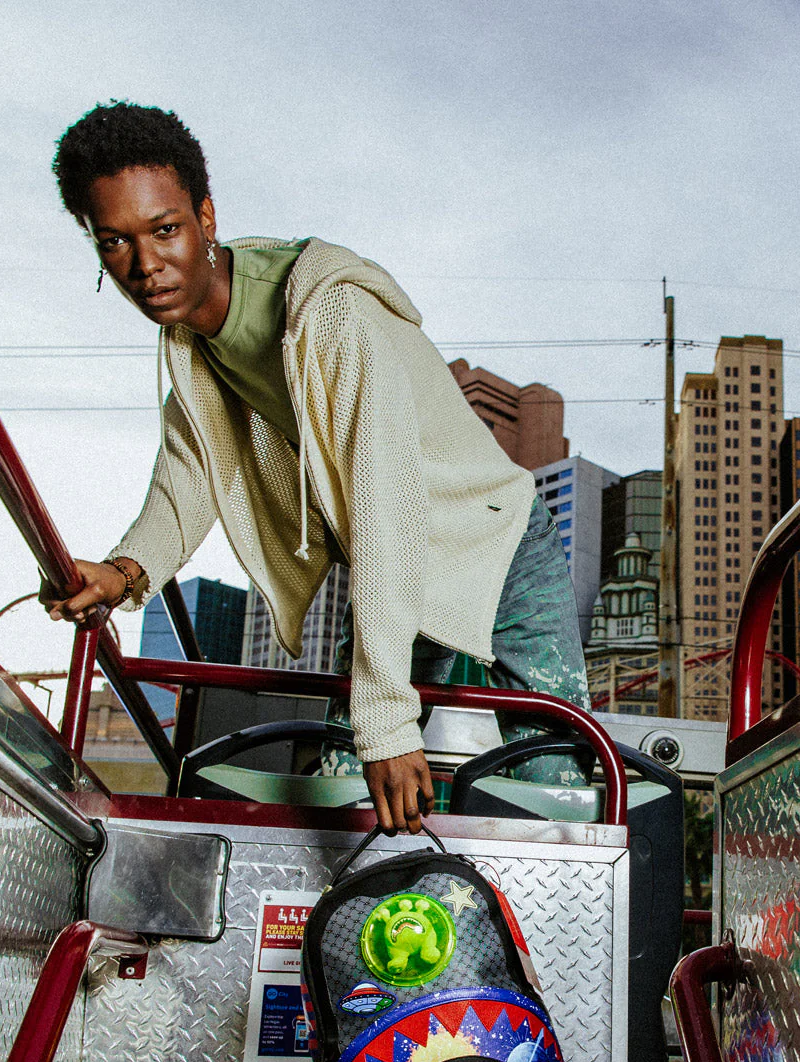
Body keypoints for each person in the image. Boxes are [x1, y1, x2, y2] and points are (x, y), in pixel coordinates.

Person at [43, 101, 590, 834]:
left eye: (165, 229)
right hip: (388, 566)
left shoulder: (331, 318)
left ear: (205, 217)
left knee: (555, 789)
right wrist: (122, 572)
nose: (145, 266)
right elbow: (190, 474)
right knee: (341, 792)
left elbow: (390, 508)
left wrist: (387, 727)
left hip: (497, 543)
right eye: (115, 242)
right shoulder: (193, 349)